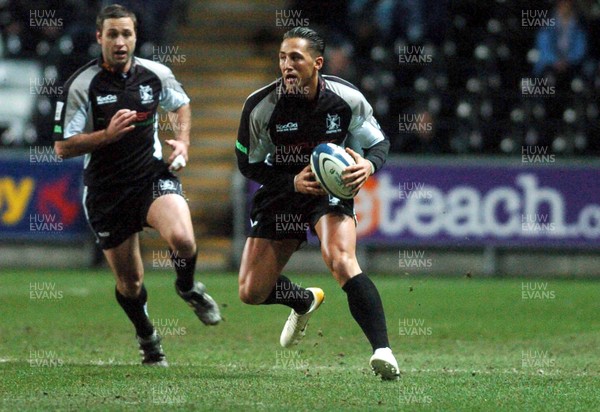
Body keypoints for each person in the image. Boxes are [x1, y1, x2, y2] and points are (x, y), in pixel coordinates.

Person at [53, 4, 221, 366]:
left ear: (135, 37)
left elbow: (182, 105)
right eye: (112, 34)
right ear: (99, 37)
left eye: (126, 33)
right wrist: (106, 135)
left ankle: (188, 287)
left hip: (150, 177)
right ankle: (147, 337)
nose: (119, 41)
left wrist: (183, 142)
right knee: (130, 285)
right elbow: (63, 146)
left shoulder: (155, 74)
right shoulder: (82, 86)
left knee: (184, 239)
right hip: (106, 193)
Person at [235, 27, 399, 380]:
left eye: (296, 58)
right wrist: (291, 180)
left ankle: (383, 351)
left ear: (317, 63)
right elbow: (247, 163)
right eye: (282, 57)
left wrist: (368, 165)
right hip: (283, 190)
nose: (287, 65)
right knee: (251, 291)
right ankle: (302, 300)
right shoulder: (261, 106)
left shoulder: (345, 98)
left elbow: (379, 143)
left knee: (340, 258)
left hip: (329, 188)